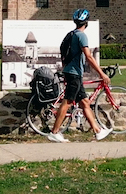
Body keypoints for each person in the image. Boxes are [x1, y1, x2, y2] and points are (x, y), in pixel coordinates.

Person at [47, 9, 112, 143]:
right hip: (74, 73)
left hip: (71, 72)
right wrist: (102, 73)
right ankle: (54, 132)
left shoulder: (70, 35)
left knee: (84, 103)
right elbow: (88, 56)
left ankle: (98, 131)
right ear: (86, 22)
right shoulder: (81, 36)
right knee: (68, 102)